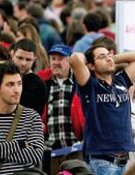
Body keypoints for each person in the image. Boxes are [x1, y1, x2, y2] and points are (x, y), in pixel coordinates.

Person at [70, 44, 135, 175]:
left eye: (109, 54)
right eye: (102, 56)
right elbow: (75, 58)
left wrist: (111, 58)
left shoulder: (121, 80)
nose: (108, 58)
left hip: (125, 160)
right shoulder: (90, 85)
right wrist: (91, 59)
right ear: (91, 66)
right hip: (103, 161)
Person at [0, 60, 44, 174]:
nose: (17, 90)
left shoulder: (32, 117)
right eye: (10, 84)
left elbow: (35, 155)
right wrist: (21, 144)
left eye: (19, 83)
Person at [38, 44, 84, 175]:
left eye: (60, 59)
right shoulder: (44, 83)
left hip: (75, 150)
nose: (56, 63)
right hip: (51, 152)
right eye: (53, 59)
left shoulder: (79, 82)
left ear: (69, 61)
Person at [11, 39, 47, 116]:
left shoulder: (38, 85)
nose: (23, 63)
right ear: (12, 55)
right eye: (20, 58)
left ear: (34, 60)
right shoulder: (4, 77)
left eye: (28, 60)